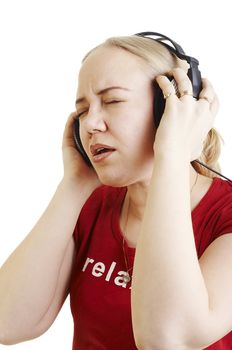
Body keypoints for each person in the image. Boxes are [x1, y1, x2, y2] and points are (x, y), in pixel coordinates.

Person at [0, 32, 232, 350]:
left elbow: (167, 340)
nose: (91, 123)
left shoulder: (226, 216)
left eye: (112, 101)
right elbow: (8, 322)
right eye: (82, 111)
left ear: (169, 109)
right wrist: (74, 185)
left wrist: (173, 154)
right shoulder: (91, 204)